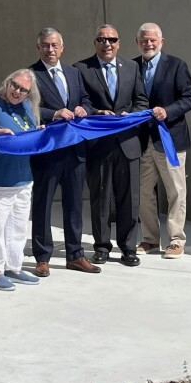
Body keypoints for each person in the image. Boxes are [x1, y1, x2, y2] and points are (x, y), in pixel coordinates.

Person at [74, 24, 148, 267]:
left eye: (112, 39)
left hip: (128, 143)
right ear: (95, 43)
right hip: (99, 145)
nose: (107, 44)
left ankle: (128, 248)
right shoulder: (82, 68)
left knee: (130, 198)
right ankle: (102, 246)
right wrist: (97, 112)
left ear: (119, 43)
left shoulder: (132, 67)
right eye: (101, 39)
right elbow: (81, 102)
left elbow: (141, 100)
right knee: (101, 197)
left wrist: (130, 114)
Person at [29, 28, 100, 277]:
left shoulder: (73, 72)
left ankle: (75, 254)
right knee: (43, 204)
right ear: (39, 48)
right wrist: (54, 114)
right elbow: (28, 107)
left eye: (54, 45)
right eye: (45, 45)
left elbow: (88, 101)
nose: (50, 50)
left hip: (74, 150)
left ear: (62, 47)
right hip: (47, 150)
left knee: (74, 204)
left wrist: (84, 109)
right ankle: (42, 257)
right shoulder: (31, 75)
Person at [133, 23, 191, 259]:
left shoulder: (177, 65)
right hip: (142, 141)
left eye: (153, 40)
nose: (148, 44)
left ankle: (177, 240)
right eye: (144, 40)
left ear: (162, 41)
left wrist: (167, 111)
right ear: (137, 41)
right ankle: (150, 239)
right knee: (143, 192)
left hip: (170, 139)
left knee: (176, 191)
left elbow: (188, 99)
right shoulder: (131, 66)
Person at [0, 70, 43, 291]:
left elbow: (28, 134)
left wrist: (39, 132)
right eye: (14, 85)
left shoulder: (27, 107)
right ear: (7, 82)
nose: (17, 91)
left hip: (23, 177)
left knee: (17, 226)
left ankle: (13, 267)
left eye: (23, 89)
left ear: (29, 93)